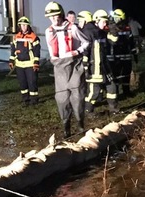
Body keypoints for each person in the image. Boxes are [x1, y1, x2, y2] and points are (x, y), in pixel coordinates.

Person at [44, 2, 90, 138]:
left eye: (56, 16)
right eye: (51, 17)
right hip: (59, 67)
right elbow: (51, 48)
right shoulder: (48, 31)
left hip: (74, 65)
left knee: (78, 96)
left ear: (61, 14)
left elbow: (86, 42)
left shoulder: (72, 28)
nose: (54, 19)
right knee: (62, 98)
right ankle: (66, 128)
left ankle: (80, 125)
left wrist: (77, 51)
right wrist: (53, 58)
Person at [85, 10, 118, 115]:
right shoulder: (90, 33)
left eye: (106, 22)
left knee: (112, 87)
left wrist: (113, 29)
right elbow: (85, 50)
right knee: (94, 92)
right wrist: (85, 66)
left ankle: (114, 109)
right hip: (94, 68)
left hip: (104, 68)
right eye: (104, 22)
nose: (105, 24)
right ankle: (88, 111)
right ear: (97, 21)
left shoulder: (103, 34)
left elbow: (114, 40)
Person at [9, 16, 41, 105]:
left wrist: (36, 63)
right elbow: (13, 50)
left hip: (30, 64)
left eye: (25, 25)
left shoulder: (33, 37)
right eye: (22, 25)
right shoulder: (16, 36)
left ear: (28, 26)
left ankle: (34, 100)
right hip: (19, 64)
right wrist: (11, 60)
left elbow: (37, 51)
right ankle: (25, 99)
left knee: (32, 82)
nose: (23, 27)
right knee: (22, 83)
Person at [107, 9, 136, 97]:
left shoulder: (127, 27)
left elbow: (131, 42)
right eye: (115, 18)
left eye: (118, 18)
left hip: (126, 55)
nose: (116, 20)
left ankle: (126, 92)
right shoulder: (110, 28)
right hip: (114, 56)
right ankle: (115, 92)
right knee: (115, 75)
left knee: (126, 75)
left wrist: (134, 53)